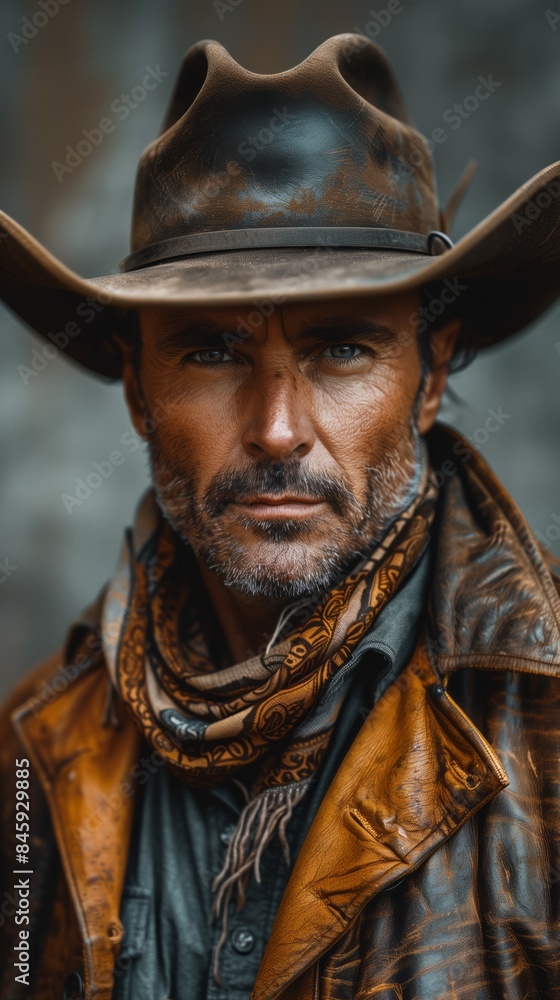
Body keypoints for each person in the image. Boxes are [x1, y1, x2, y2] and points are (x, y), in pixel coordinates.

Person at [1, 32, 560, 1000]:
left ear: (427, 378)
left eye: (340, 349)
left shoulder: (543, 714)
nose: (274, 429)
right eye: (210, 352)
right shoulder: (37, 737)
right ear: (136, 391)